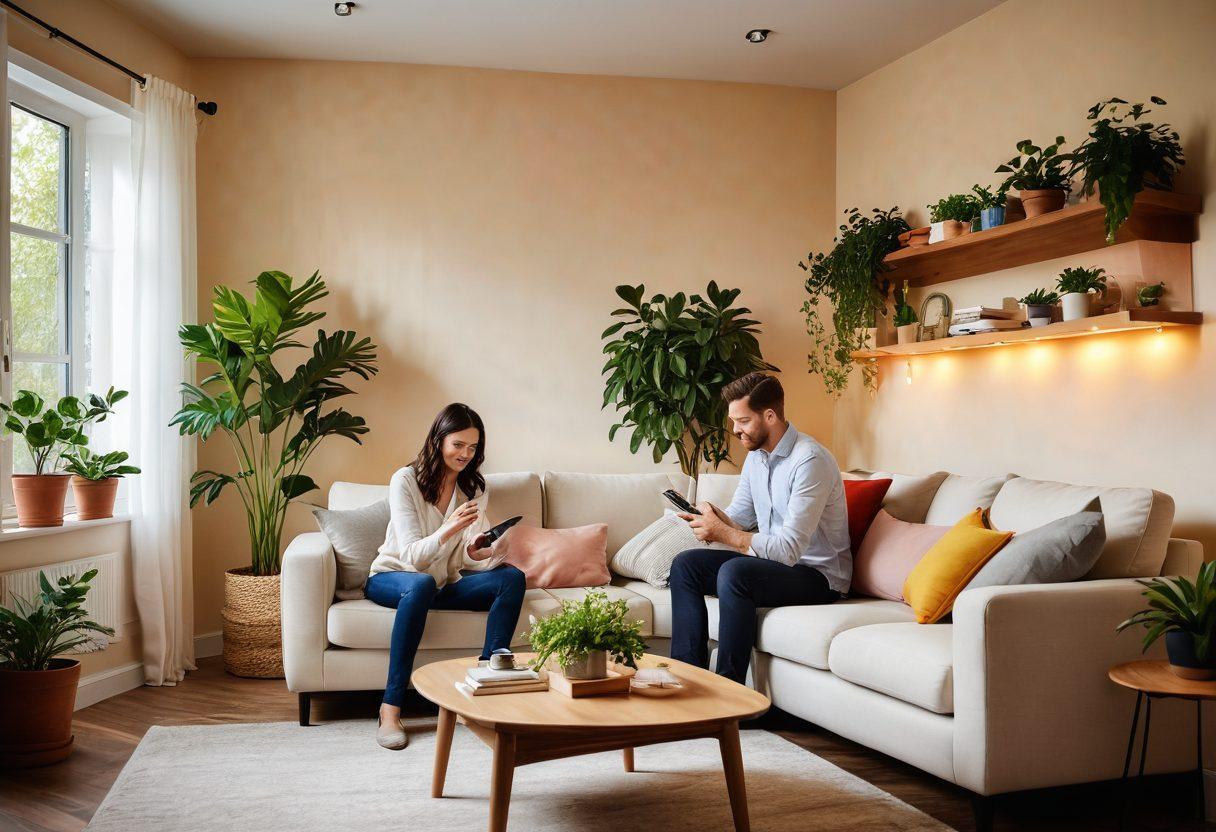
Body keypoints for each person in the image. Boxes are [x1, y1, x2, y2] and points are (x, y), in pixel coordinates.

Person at [670, 372, 850, 685]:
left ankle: (730, 693)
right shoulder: (757, 456)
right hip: (775, 567)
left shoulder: (810, 460)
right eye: (733, 421)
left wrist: (723, 533)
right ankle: (687, 681)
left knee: (736, 573)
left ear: (769, 416)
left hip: (818, 576)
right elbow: (740, 516)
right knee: (686, 565)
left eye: (742, 421)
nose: (735, 430)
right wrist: (713, 516)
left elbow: (788, 550)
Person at [365, 403, 526, 749]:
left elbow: (462, 555)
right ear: (438, 440)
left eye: (473, 447)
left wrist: (477, 551)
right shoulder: (405, 480)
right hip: (395, 577)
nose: (466, 454)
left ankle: (486, 682)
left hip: (441, 582)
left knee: (511, 578)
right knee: (421, 583)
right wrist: (449, 527)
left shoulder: (475, 488)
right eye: (458, 445)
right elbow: (412, 557)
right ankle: (390, 709)